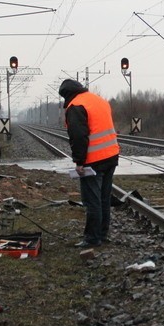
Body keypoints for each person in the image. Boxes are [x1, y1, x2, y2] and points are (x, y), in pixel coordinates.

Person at [59, 79, 120, 248]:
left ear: (67, 95)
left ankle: (92, 239)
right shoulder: (99, 100)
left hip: (94, 161)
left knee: (92, 201)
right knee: (104, 198)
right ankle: (102, 234)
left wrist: (79, 162)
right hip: (112, 155)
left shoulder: (76, 106)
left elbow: (79, 137)